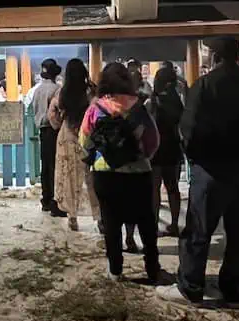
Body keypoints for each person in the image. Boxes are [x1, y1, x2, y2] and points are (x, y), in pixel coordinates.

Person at [159, 37, 239, 305]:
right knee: (237, 231)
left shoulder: (204, 86)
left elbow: (188, 129)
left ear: (215, 56)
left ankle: (191, 286)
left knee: (198, 230)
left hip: (210, 169)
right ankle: (232, 286)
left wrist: (193, 157)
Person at [80, 62, 165, 281]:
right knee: (146, 222)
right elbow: (153, 141)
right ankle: (152, 268)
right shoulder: (138, 107)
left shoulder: (95, 108)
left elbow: (84, 141)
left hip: (105, 172)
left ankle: (116, 270)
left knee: (111, 221)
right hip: (139, 173)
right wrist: (141, 157)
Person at [47, 58, 101, 232]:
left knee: (69, 176)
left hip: (67, 136)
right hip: (89, 137)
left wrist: (60, 123)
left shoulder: (63, 93)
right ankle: (99, 217)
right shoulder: (92, 91)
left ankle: (72, 217)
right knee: (92, 177)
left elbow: (52, 116)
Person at [147, 64, 185, 236]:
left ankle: (153, 225)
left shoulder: (152, 100)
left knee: (154, 189)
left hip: (155, 148)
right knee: (173, 188)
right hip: (173, 147)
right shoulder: (178, 101)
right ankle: (175, 224)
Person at [26, 59, 66, 217]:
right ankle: (55, 202)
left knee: (45, 166)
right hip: (54, 129)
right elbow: (58, 111)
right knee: (55, 165)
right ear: (56, 74)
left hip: (42, 129)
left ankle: (46, 199)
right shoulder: (57, 90)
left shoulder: (36, 90)